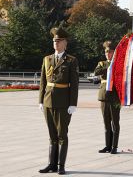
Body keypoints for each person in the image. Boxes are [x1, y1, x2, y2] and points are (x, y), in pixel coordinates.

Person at [38, 27, 79, 175]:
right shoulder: (47, 59)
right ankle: (51, 164)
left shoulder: (71, 60)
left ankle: (61, 165)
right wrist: (41, 100)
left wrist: (73, 103)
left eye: (59, 40)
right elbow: (43, 81)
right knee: (52, 135)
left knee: (62, 135)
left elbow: (74, 84)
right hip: (48, 101)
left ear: (65, 43)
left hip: (63, 103)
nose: (56, 42)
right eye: (54, 40)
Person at [94, 41, 120, 154]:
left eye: (110, 52)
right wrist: (109, 66)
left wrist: (113, 65)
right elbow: (96, 72)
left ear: (114, 52)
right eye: (106, 52)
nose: (108, 54)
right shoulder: (102, 63)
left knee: (115, 122)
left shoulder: (119, 63)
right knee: (106, 122)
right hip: (104, 95)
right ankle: (107, 146)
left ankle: (114, 146)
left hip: (115, 96)